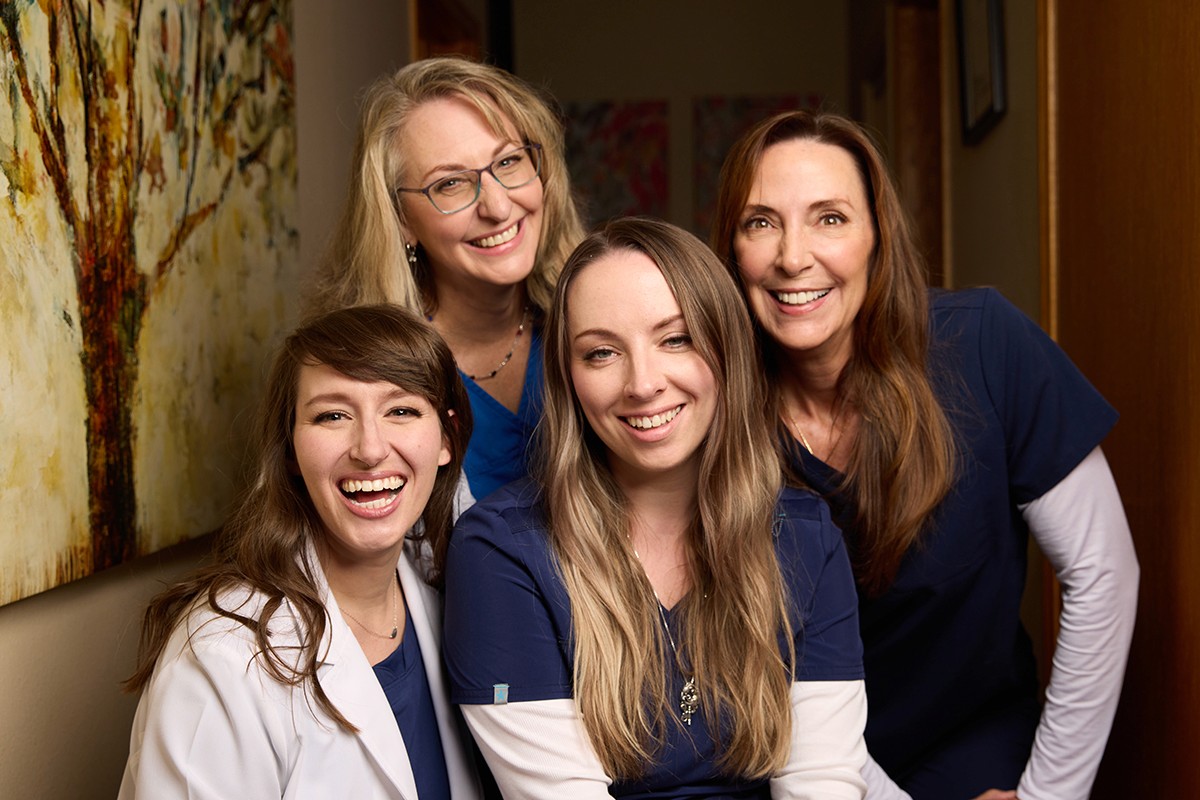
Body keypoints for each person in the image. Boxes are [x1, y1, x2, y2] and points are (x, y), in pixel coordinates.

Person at [710, 110, 1139, 800]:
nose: (793, 256)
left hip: (969, 740)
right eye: (761, 222)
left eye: (830, 218)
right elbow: (760, 672)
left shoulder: (984, 346)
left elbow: (1102, 573)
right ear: (730, 250)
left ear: (878, 235)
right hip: (792, 751)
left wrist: (1048, 796)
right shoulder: (709, 416)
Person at [443, 217, 869, 799]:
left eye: (676, 339)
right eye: (601, 353)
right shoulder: (501, 551)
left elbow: (825, 786)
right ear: (568, 379)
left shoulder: (806, 536)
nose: (643, 383)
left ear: (726, 352)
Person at [119, 304, 486, 799]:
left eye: (401, 410)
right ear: (290, 450)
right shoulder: (221, 660)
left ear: (447, 437)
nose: (370, 449)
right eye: (332, 415)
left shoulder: (450, 600)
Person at [306, 56, 585, 507]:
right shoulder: (357, 373)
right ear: (400, 219)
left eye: (510, 161)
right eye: (451, 184)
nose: (496, 206)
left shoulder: (593, 326)